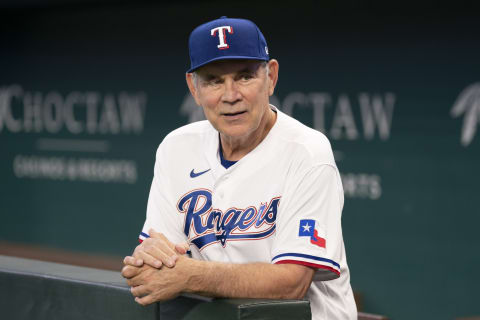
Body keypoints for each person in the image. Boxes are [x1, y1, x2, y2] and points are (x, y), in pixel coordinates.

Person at [121, 16, 357, 320]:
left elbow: (291, 283)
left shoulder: (308, 152)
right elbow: (162, 256)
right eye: (214, 81)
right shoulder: (176, 148)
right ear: (194, 88)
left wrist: (190, 275)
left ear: (270, 77)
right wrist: (149, 259)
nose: (230, 96)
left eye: (245, 76)